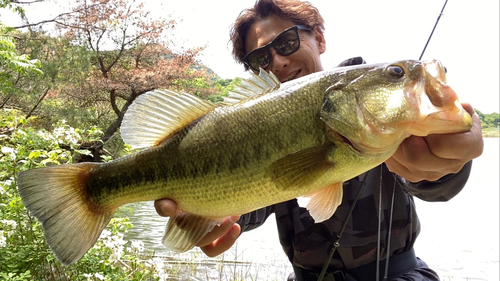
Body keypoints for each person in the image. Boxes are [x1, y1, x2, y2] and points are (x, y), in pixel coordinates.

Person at [154, 0, 484, 280]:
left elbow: (434, 183)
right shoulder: (258, 126)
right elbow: (253, 205)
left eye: (285, 44)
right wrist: (211, 216)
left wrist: (448, 163)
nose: (279, 62)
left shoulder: (369, 102)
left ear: (320, 39)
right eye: (261, 59)